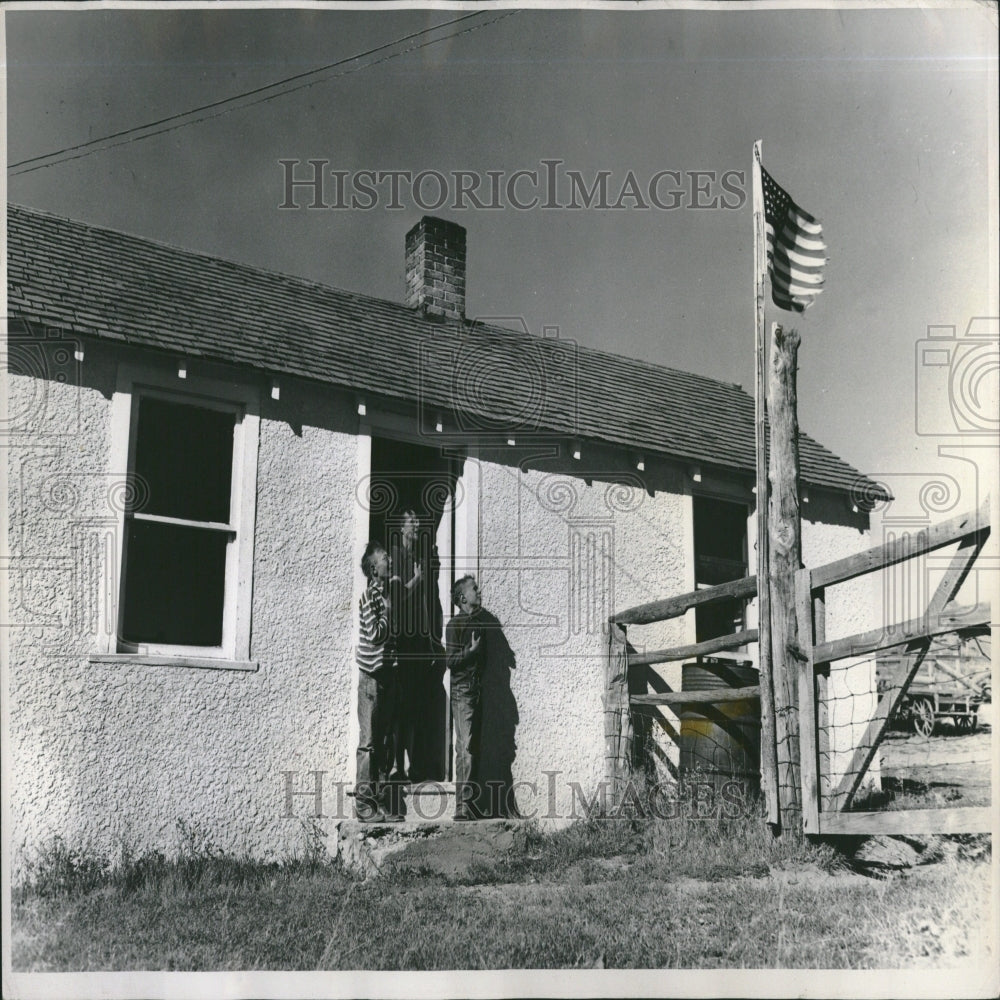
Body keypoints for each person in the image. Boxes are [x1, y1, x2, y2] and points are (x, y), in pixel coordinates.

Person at [354, 540, 402, 823]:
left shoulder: (386, 596)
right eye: (385, 557)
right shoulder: (371, 598)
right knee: (369, 743)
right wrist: (388, 613)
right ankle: (363, 806)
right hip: (371, 678)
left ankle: (381, 804)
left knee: (384, 743)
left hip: (386, 675)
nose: (390, 560)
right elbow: (374, 635)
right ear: (374, 568)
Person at [388, 510, 433, 782]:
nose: (417, 525)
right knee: (399, 703)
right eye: (412, 522)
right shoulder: (394, 555)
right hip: (401, 639)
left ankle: (413, 765)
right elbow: (398, 595)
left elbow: (425, 604)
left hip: (417, 639)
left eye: (418, 521)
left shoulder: (418, 558)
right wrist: (417, 579)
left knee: (415, 704)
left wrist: (428, 639)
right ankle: (396, 764)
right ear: (402, 528)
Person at [445, 574, 489, 821]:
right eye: (474, 588)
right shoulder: (455, 625)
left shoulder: (479, 623)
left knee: (474, 747)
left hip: (476, 691)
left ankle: (470, 804)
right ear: (462, 598)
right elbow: (450, 661)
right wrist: (470, 651)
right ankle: (462, 806)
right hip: (462, 692)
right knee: (465, 748)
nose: (479, 591)